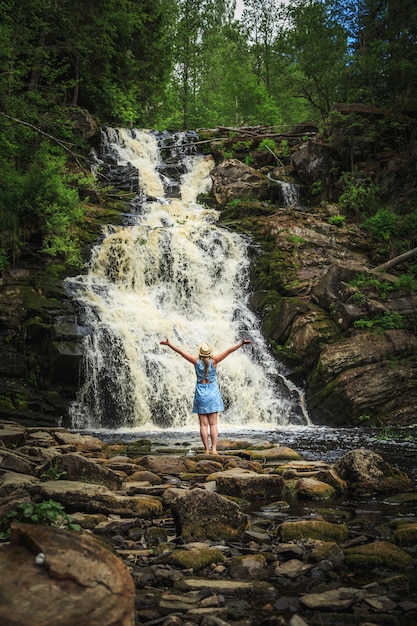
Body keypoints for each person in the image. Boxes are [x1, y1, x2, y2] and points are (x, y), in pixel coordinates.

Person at [159, 338, 252, 454]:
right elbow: (229, 351)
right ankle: (214, 449)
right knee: (213, 424)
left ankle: (206, 450)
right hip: (212, 392)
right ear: (210, 352)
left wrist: (169, 344)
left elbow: (181, 352)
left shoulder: (195, 361)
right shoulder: (215, 361)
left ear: (200, 353)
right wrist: (241, 343)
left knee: (203, 424)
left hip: (200, 393)